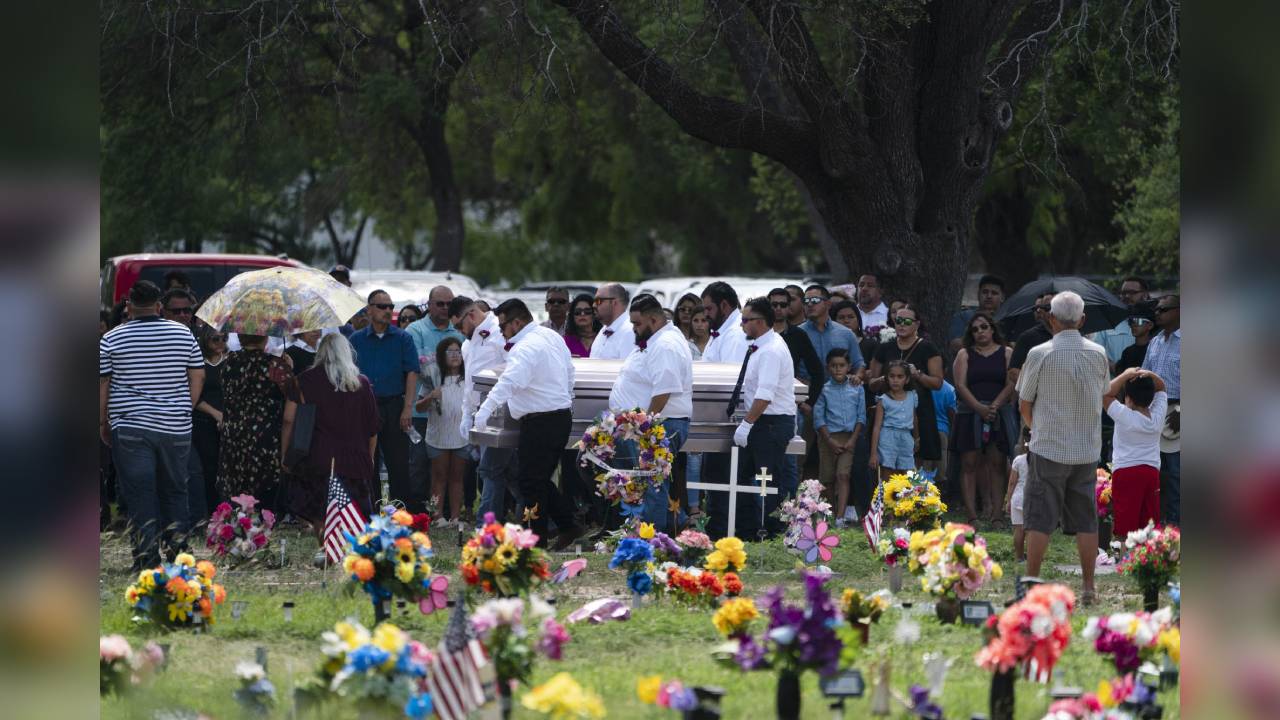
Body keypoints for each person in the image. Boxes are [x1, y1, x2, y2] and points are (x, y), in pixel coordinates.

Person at [100, 280, 205, 570]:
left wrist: (102, 421)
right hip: (175, 426)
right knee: (174, 489)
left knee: (139, 492)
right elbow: (198, 375)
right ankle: (179, 554)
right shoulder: (183, 334)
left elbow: (104, 383)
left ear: (130, 306)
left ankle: (146, 559)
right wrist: (186, 406)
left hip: (130, 425)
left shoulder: (112, 338)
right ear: (159, 305)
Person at [1016, 291, 1109, 604]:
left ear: (1050, 318)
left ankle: (1032, 584)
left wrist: (1036, 429)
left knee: (1039, 516)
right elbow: (1104, 394)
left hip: (1048, 446)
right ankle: (1088, 588)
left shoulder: (1039, 353)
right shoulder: (1098, 354)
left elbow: (1024, 403)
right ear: (1082, 320)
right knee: (1086, 520)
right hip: (1086, 449)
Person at [473, 299, 582, 549]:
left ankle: (535, 540)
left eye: (503, 326)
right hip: (558, 416)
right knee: (539, 479)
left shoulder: (526, 347)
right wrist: (567, 397)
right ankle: (568, 525)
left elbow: (510, 382)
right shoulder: (549, 336)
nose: (500, 331)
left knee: (530, 482)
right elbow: (569, 369)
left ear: (517, 322)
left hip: (541, 421)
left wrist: (486, 409)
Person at [280, 333, 379, 551]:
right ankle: (348, 552)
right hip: (355, 458)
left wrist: (285, 454)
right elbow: (373, 428)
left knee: (320, 510)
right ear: (347, 353)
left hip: (317, 457)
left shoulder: (304, 380)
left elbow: (289, 419)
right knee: (353, 512)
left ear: (320, 353)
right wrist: (369, 458)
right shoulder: (361, 383)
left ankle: (326, 549)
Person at [607, 294, 694, 527]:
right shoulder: (655, 339)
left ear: (654, 320)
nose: (634, 329)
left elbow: (662, 392)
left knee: (652, 485)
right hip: (649, 424)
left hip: (661, 424)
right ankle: (677, 526)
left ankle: (654, 542)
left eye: (637, 324)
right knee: (649, 483)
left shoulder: (665, 345)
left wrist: (645, 428)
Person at [722, 298, 798, 538]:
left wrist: (747, 423)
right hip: (763, 420)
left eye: (746, 320)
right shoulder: (761, 346)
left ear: (761, 322)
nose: (742, 325)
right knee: (746, 476)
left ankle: (771, 532)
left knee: (767, 480)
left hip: (771, 422)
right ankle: (748, 529)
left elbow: (765, 394)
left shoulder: (771, 350)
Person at [349, 289, 421, 511]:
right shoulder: (356, 339)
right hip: (364, 407)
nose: (388, 311)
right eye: (382, 306)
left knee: (397, 461)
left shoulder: (403, 338)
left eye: (390, 307)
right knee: (366, 460)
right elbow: (348, 373)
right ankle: (369, 508)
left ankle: (402, 511)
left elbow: (412, 372)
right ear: (369, 309)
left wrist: (407, 408)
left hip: (393, 404)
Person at [451, 296, 519, 525]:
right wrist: (466, 413)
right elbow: (470, 383)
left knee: (490, 469)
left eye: (459, 325)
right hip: (482, 413)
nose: (459, 331)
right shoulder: (468, 342)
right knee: (509, 472)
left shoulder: (499, 333)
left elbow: (513, 373)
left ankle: (486, 524)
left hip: (504, 410)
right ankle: (552, 520)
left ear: (470, 315)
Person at [953, 312, 1017, 524]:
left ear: (992, 329)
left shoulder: (1006, 352)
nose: (980, 332)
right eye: (975, 329)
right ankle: (972, 515)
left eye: (984, 327)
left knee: (997, 463)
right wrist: (979, 408)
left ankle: (997, 514)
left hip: (998, 412)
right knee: (969, 463)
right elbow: (960, 385)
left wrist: (995, 405)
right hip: (970, 412)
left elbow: (1012, 382)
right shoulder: (964, 354)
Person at [406, 286, 463, 511]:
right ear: (429, 304)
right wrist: (447, 381)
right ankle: (418, 512)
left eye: (450, 304)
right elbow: (420, 367)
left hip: (454, 414)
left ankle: (448, 513)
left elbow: (465, 367)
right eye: (440, 303)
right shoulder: (415, 329)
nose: (445, 308)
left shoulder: (458, 332)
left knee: (453, 469)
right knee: (419, 465)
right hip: (421, 410)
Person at [868, 304, 945, 470]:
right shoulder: (884, 347)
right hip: (888, 412)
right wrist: (883, 379)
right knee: (886, 464)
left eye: (907, 321)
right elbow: (871, 384)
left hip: (918, 409)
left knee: (914, 463)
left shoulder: (927, 348)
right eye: (898, 320)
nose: (902, 324)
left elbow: (938, 383)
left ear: (916, 324)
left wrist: (917, 375)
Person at [218, 333, 288, 507]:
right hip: (264, 435)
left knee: (236, 488)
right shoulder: (275, 364)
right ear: (265, 339)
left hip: (234, 433)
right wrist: (288, 368)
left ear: (240, 338)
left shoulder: (228, 362)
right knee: (264, 491)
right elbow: (293, 396)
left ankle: (237, 526)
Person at [1104, 368, 1168, 536]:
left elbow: (1105, 394)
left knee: (1126, 526)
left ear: (1129, 399)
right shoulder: (1157, 417)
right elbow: (1162, 388)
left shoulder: (1124, 415)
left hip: (1126, 472)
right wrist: (1150, 374)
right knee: (1149, 525)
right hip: (1151, 472)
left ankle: (1126, 559)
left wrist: (1126, 374)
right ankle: (1146, 560)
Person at [419, 336, 469, 527]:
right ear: (442, 355)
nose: (455, 355)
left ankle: (456, 517)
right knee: (438, 476)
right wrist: (431, 396)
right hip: (438, 436)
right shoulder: (433, 379)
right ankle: (437, 516)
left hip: (461, 436)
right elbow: (419, 407)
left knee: (457, 476)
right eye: (451, 352)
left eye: (459, 351)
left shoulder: (468, 379)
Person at [813, 348, 866, 525]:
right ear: (828, 367)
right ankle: (832, 513)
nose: (838, 369)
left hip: (849, 437)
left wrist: (852, 440)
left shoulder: (857, 388)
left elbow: (861, 416)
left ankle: (841, 517)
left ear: (849, 367)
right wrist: (829, 440)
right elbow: (818, 417)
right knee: (827, 479)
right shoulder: (824, 389)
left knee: (843, 475)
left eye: (841, 365)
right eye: (834, 366)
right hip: (828, 438)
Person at [1141, 294, 1179, 524]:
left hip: (1178, 411)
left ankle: (1177, 526)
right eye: (1156, 310)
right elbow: (1145, 374)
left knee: (1176, 473)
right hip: (1154, 409)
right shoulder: (1155, 341)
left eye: (1163, 309)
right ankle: (1159, 523)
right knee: (1155, 470)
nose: (1157, 313)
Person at [799, 285, 865, 383]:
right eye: (806, 301)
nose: (809, 304)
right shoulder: (797, 334)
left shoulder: (846, 333)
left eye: (815, 300)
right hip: (806, 392)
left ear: (828, 304)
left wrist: (857, 378)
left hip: (839, 392)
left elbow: (858, 364)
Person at [193, 326, 227, 514]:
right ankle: (209, 511)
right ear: (206, 340)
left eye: (224, 338)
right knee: (208, 467)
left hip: (227, 420)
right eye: (216, 339)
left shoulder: (230, 362)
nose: (221, 343)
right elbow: (194, 398)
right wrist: (216, 414)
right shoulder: (198, 363)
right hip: (203, 421)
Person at [869, 360, 919, 481]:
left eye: (900, 376)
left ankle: (910, 500)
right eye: (892, 376)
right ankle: (887, 499)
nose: (895, 380)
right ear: (886, 378)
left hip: (906, 437)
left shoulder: (912, 396)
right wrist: (873, 453)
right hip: (887, 438)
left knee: (909, 474)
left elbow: (914, 419)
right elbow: (877, 427)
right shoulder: (883, 399)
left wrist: (917, 438)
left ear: (907, 379)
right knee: (888, 475)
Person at [1092, 276, 1151, 367]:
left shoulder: (1156, 321)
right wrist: (1117, 370)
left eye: (1132, 292)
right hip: (1114, 379)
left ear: (1145, 295)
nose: (1127, 296)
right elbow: (1096, 353)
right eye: (1123, 293)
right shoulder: (1108, 321)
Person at [946, 275, 1006, 358]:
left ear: (1002, 297)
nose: (989, 296)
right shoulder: (963, 316)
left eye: (994, 293)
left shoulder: (1008, 319)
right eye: (985, 292)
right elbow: (955, 345)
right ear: (978, 294)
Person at [1007, 292, 1056, 385]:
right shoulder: (1027, 337)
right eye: (1048, 307)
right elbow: (1013, 372)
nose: (1052, 311)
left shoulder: (1074, 336)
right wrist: (1033, 389)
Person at [700, 281, 749, 364]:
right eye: (704, 309)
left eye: (709, 309)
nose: (705, 314)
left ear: (724, 305)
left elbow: (732, 375)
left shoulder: (735, 335)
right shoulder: (723, 330)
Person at [1004, 426, 1032, 563]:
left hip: (1018, 498)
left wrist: (1008, 501)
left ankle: (1019, 557)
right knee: (1032, 530)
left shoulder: (1018, 460)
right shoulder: (1041, 461)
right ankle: (1033, 557)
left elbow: (1011, 483)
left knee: (1018, 530)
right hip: (1033, 498)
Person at [588, 283, 636, 359]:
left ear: (614, 303)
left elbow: (628, 370)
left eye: (598, 301)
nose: (593, 305)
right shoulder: (604, 330)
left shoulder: (630, 332)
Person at [1116, 302, 1157, 375]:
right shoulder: (1127, 352)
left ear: (1150, 325)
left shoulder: (1155, 351)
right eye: (1131, 321)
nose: (1133, 325)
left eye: (1139, 321)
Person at [932, 379, 957, 490]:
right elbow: (952, 413)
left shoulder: (923, 384)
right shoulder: (949, 389)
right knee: (941, 470)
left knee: (923, 470)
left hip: (923, 431)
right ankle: (939, 500)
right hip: (942, 431)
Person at [564, 294, 601, 358]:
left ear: (594, 314)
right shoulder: (565, 342)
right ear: (572, 316)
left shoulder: (603, 338)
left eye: (587, 311)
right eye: (577, 312)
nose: (582, 314)